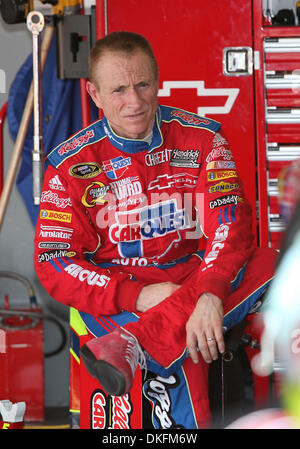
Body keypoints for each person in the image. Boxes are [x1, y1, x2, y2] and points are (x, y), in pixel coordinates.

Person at [34, 31, 276, 428]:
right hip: (119, 288)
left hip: (196, 277)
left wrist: (211, 294)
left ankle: (134, 345)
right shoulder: (69, 164)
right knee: (191, 356)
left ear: (158, 80)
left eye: (143, 84)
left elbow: (230, 225)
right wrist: (138, 294)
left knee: (271, 262)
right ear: (94, 93)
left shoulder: (203, 139)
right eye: (119, 90)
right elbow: (53, 262)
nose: (135, 101)